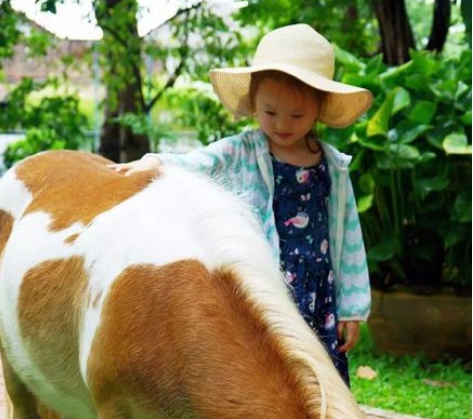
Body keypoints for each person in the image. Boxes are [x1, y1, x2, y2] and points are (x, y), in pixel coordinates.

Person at [112, 24, 372, 384]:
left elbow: (349, 238)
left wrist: (353, 308)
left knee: (318, 376)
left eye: (297, 116)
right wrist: (155, 162)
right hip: (266, 285)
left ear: (319, 109)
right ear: (253, 104)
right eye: (270, 112)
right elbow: (198, 162)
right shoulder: (243, 150)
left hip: (318, 290)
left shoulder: (333, 166)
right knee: (266, 373)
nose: (282, 124)